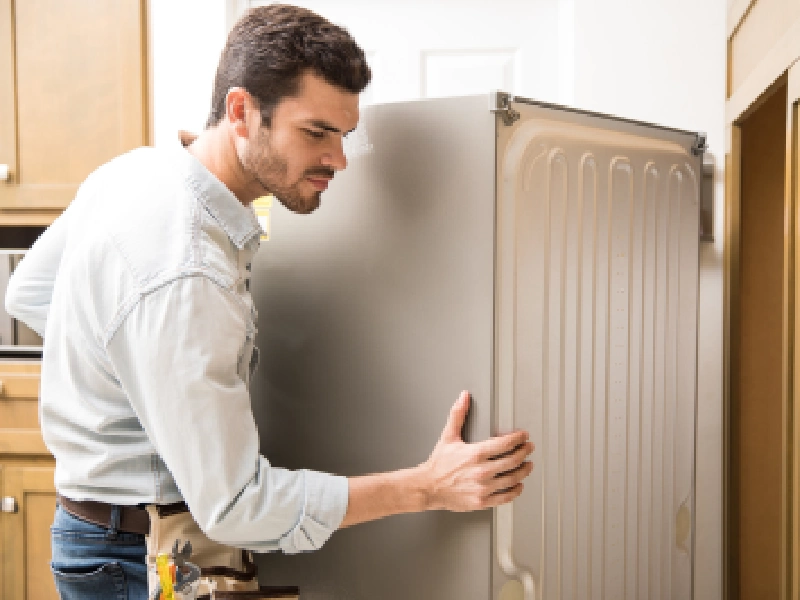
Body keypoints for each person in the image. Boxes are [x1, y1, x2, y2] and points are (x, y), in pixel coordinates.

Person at [5, 5, 534, 599]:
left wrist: (149, 380)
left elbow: (27, 293)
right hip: (144, 554)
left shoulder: (135, 171)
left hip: (95, 531)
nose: (338, 158)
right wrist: (427, 488)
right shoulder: (188, 272)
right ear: (241, 112)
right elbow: (234, 505)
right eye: (315, 131)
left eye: (344, 134)